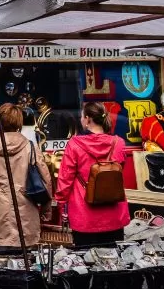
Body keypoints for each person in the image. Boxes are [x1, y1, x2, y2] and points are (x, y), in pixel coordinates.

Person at [55, 101, 130, 246]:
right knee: (114, 263)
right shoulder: (119, 143)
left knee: (84, 262)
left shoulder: (74, 144)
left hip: (83, 215)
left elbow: (65, 180)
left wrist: (61, 206)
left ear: (88, 119)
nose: (81, 119)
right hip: (114, 215)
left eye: (82, 116)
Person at [0, 103, 51, 253]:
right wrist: (46, 209)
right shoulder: (30, 147)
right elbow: (46, 180)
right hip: (25, 218)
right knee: (24, 268)